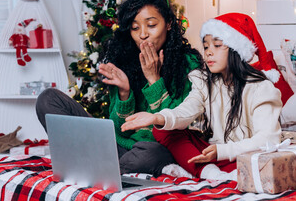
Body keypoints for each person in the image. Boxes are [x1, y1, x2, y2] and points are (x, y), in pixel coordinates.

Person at [36, 0, 202, 177]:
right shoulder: (125, 60)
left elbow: (177, 125)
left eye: (151, 25)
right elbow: (117, 129)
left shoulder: (188, 63)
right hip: (118, 148)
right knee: (47, 99)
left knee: (152, 154)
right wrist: (124, 94)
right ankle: (104, 166)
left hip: (158, 148)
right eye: (135, 27)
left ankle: (95, 168)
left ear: (169, 24)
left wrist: (154, 80)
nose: (143, 34)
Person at [121, 13, 283, 180]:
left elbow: (267, 139)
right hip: (212, 156)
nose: (208, 53)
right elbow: (186, 110)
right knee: (163, 131)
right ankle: (212, 174)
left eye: (217, 45)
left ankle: (203, 172)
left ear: (237, 49)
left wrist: (221, 152)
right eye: (206, 47)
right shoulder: (204, 82)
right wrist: (157, 118)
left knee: (257, 160)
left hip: (242, 157)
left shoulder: (261, 88)